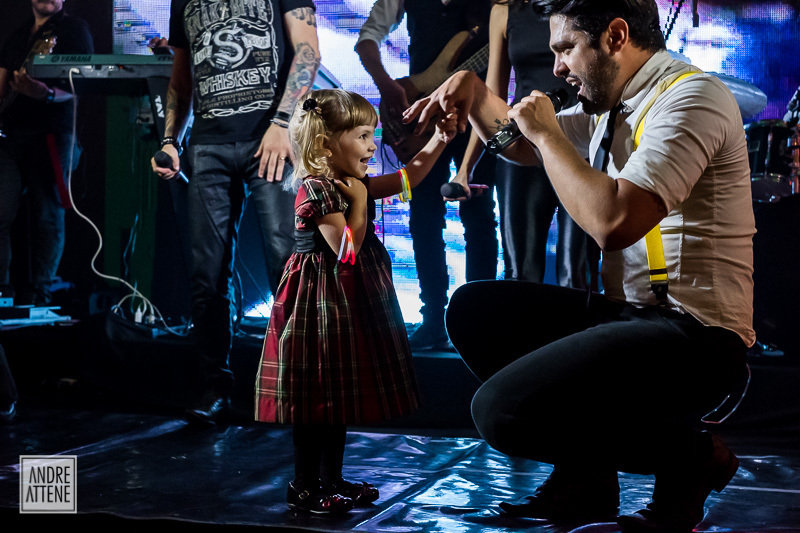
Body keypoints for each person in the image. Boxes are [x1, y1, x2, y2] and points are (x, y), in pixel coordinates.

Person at [405, 0, 754, 531]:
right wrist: (472, 92)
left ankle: (690, 457)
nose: (559, 68)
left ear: (615, 36)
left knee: (500, 412)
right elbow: (521, 146)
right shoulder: (616, 105)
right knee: (476, 309)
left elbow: (614, 222)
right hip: (633, 317)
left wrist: (547, 134)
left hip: (697, 338)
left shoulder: (693, 98)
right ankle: (585, 481)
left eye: (566, 49)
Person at [254, 89, 459, 514]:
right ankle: (306, 485)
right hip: (319, 303)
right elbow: (346, 249)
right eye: (364, 136)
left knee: (335, 399)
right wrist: (361, 203)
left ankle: (332, 478)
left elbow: (408, 179)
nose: (371, 147)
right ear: (327, 142)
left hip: (345, 300)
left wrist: (440, 139)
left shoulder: (349, 182)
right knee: (315, 400)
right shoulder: (317, 190)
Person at [152, 0, 320, 425]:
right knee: (206, 276)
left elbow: (308, 52)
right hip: (208, 147)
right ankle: (215, 388)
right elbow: (181, 75)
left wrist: (283, 124)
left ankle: (299, 390)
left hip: (271, 137)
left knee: (288, 267)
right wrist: (172, 139)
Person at [356, 0, 499, 351]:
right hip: (419, 115)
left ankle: (478, 321)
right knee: (424, 218)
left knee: (479, 217)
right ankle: (434, 316)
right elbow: (367, 39)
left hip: (478, 118)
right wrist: (387, 84)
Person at [452, 0, 594, 287]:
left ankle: (582, 333)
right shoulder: (504, 11)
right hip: (522, 143)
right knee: (520, 272)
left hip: (579, 144)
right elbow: (490, 98)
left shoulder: (581, 5)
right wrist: (466, 168)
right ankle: (523, 333)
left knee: (575, 273)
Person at [0, 0, 94, 306]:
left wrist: (46, 93)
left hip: (52, 133)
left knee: (47, 214)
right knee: (2, 212)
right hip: (11, 136)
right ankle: (3, 289)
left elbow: (85, 80)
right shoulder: (17, 35)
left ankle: (41, 290)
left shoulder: (73, 29)